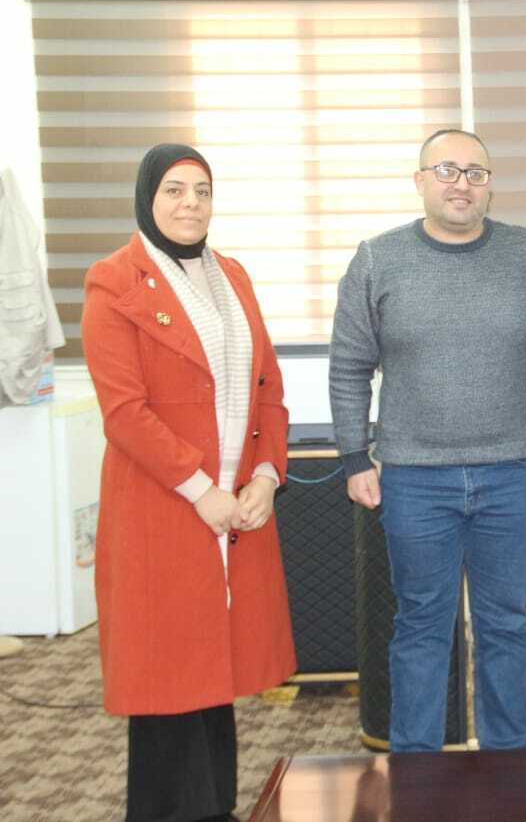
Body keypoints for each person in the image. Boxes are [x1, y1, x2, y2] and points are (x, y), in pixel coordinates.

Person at [329, 128, 526, 752]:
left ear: (489, 186)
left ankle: (508, 766)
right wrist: (354, 457)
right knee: (421, 628)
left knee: (505, 626)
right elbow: (350, 365)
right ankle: (415, 773)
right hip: (414, 480)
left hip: (511, 474)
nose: (461, 184)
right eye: (446, 170)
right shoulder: (378, 259)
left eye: (475, 173)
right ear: (420, 181)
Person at [82, 143, 296, 822]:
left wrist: (266, 476)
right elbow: (125, 412)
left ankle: (213, 809)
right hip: (164, 507)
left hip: (235, 505)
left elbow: (267, 387)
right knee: (166, 679)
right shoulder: (113, 281)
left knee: (212, 673)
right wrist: (202, 490)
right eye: (174, 190)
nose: (190, 203)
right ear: (147, 197)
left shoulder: (231, 274)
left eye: (202, 190)